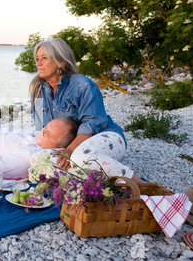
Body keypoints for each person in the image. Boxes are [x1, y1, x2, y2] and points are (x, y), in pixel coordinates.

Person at [29, 38, 144, 184]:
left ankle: (140, 185)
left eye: (44, 58)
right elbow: (41, 129)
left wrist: (70, 151)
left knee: (80, 157)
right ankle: (96, 183)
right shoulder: (38, 90)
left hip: (104, 136)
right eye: (38, 58)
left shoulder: (83, 86)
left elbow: (92, 124)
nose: (38, 63)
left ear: (60, 62)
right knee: (36, 159)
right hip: (70, 149)